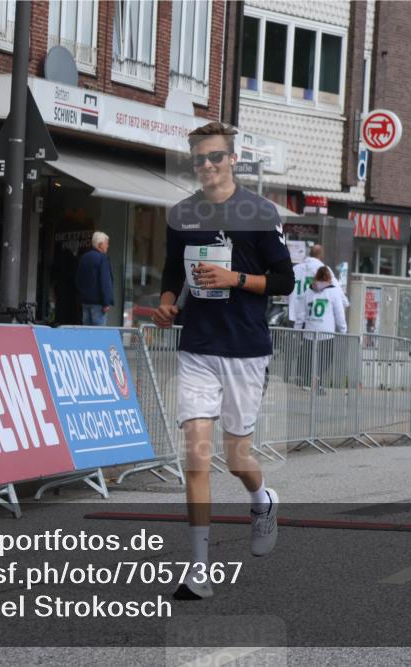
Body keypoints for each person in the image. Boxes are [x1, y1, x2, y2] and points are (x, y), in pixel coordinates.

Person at [152, 121, 294, 601]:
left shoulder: (259, 211)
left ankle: (262, 499)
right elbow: (172, 271)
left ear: (233, 159)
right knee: (195, 457)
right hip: (197, 348)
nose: (208, 166)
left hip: (246, 350)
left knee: (237, 459)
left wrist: (234, 279)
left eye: (216, 157)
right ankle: (198, 571)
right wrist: (168, 302)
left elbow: (283, 281)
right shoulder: (181, 213)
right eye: (200, 159)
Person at [296, 266, 347, 391]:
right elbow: (339, 313)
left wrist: (297, 330)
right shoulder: (334, 291)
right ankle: (315, 381)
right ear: (329, 278)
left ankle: (308, 383)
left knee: (308, 358)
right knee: (325, 359)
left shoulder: (308, 291)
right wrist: (343, 329)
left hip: (309, 331)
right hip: (326, 332)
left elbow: (301, 314)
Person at [75, 231, 114, 326]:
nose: (107, 246)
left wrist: (82, 295)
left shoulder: (84, 257)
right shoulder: (102, 258)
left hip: (85, 302)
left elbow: (78, 280)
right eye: (106, 243)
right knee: (98, 334)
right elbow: (105, 282)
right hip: (99, 304)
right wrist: (106, 302)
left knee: (86, 333)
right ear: (100, 245)